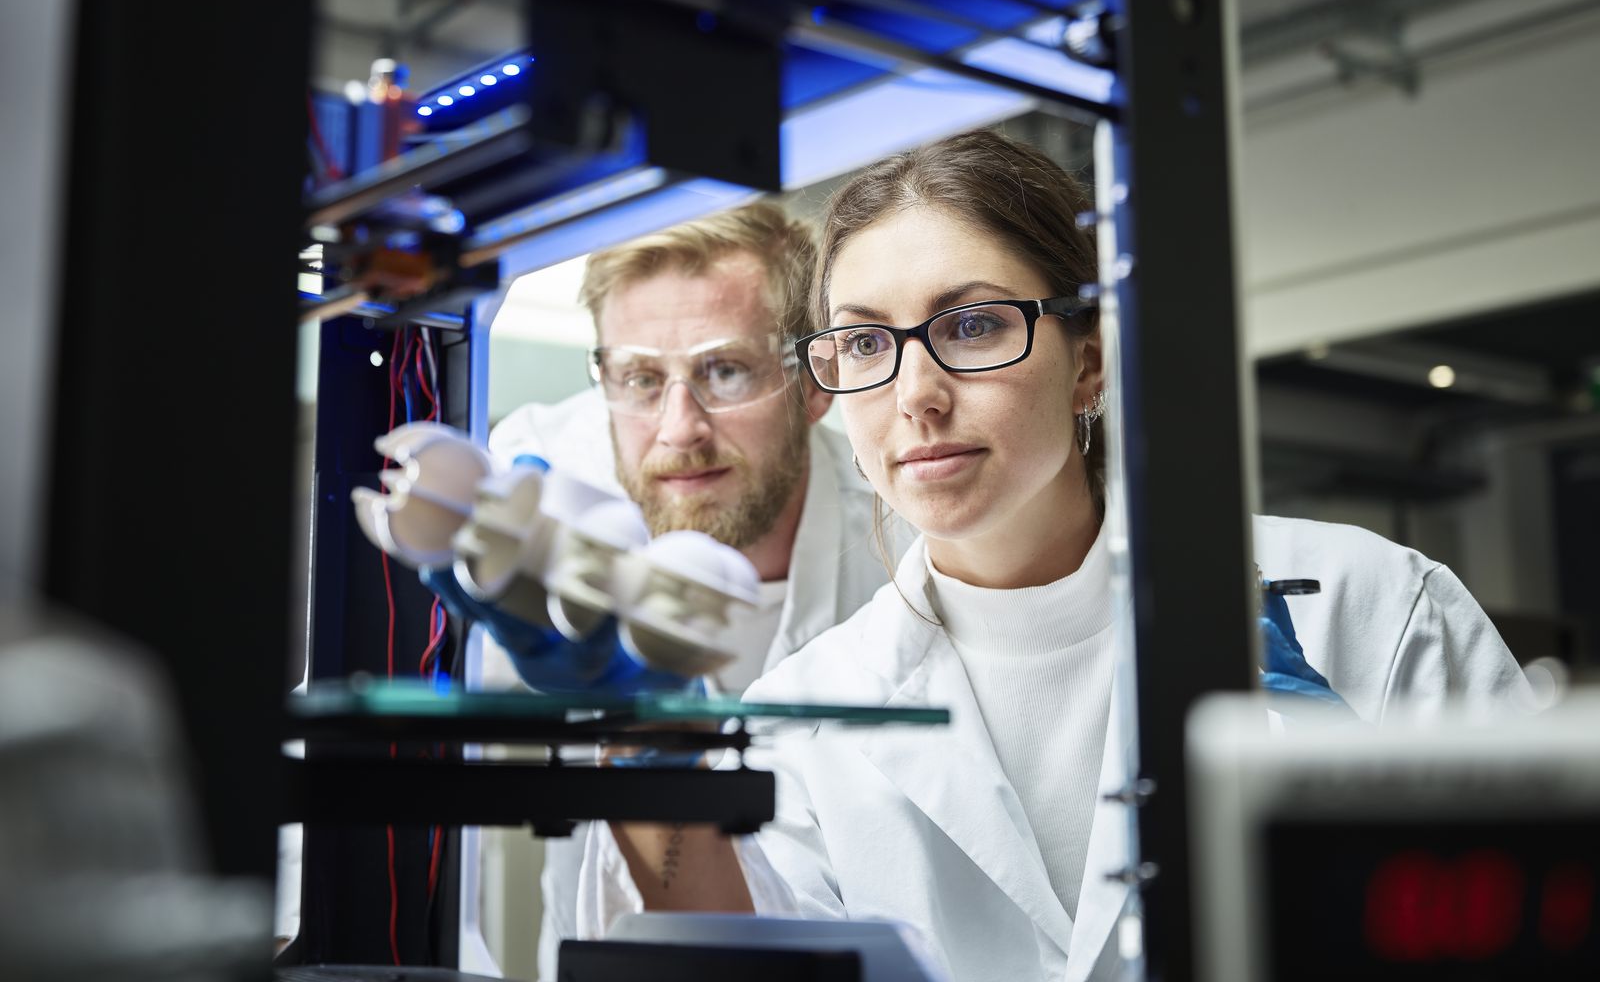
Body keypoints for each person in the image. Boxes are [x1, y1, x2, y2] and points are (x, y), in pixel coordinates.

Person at [576, 130, 1531, 981]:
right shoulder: (802, 716)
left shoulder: (1369, 604)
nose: (916, 394)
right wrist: (642, 754)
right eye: (866, 342)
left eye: (973, 325)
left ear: (1089, 362)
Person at [488, 200, 911, 979]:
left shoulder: (904, 533)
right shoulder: (549, 490)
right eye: (641, 378)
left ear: (814, 381)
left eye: (725, 370)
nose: (679, 429)